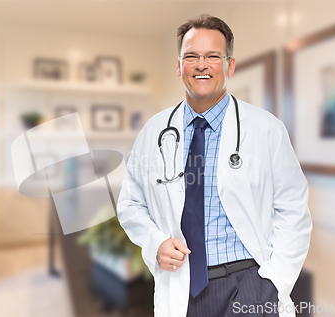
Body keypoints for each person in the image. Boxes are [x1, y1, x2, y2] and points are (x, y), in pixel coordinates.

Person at [116, 14, 312, 317]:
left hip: (251, 282)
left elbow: (293, 210)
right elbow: (130, 203)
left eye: (213, 56)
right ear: (179, 66)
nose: (201, 65)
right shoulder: (154, 132)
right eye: (191, 56)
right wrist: (155, 242)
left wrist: (275, 282)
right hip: (185, 284)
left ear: (230, 65)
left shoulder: (266, 129)